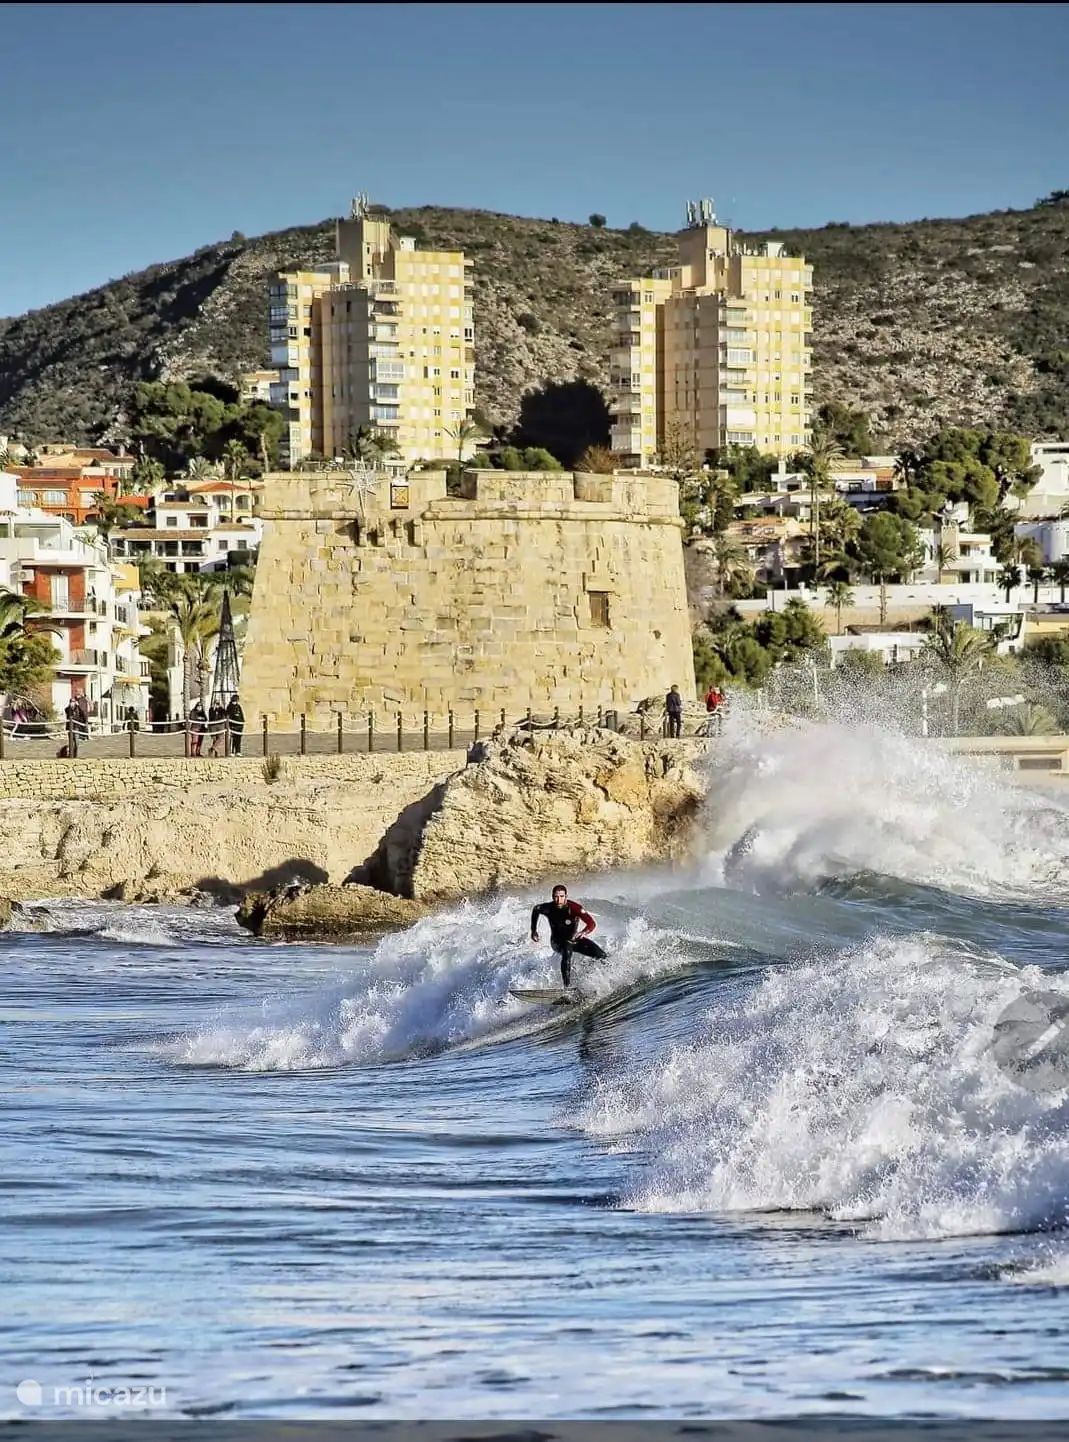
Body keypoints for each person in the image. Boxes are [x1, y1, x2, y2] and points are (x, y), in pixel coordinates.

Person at [530, 884, 607, 988]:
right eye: (556, 897)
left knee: (601, 955)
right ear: (553, 897)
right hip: (557, 942)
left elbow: (591, 923)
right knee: (567, 949)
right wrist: (533, 931)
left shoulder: (574, 908)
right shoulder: (548, 908)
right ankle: (567, 987)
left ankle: (606, 977)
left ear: (566, 896)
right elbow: (536, 909)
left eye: (561, 896)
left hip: (574, 939)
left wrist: (583, 932)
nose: (559, 899)